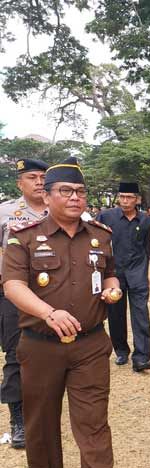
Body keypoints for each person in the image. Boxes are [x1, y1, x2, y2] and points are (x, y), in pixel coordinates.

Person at [3, 157, 121, 468]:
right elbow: (12, 286)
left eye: (80, 192)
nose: (75, 198)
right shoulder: (22, 235)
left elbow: (109, 273)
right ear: (46, 195)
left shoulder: (101, 234)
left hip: (90, 345)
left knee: (94, 425)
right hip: (40, 345)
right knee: (41, 429)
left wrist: (113, 288)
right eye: (66, 191)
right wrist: (48, 313)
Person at [0, 158, 48, 450]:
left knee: (51, 353)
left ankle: (43, 410)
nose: (39, 182)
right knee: (16, 354)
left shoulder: (60, 209)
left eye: (43, 176)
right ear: (20, 183)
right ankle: (17, 418)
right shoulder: (6, 211)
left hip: (53, 295)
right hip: (14, 294)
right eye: (32, 177)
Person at [97, 182, 150, 371]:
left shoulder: (146, 220)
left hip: (137, 272)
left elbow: (147, 248)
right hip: (114, 273)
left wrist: (146, 273)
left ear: (137, 199)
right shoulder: (106, 216)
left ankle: (142, 356)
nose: (125, 201)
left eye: (129, 197)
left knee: (141, 315)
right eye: (122, 196)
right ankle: (121, 351)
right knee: (116, 315)